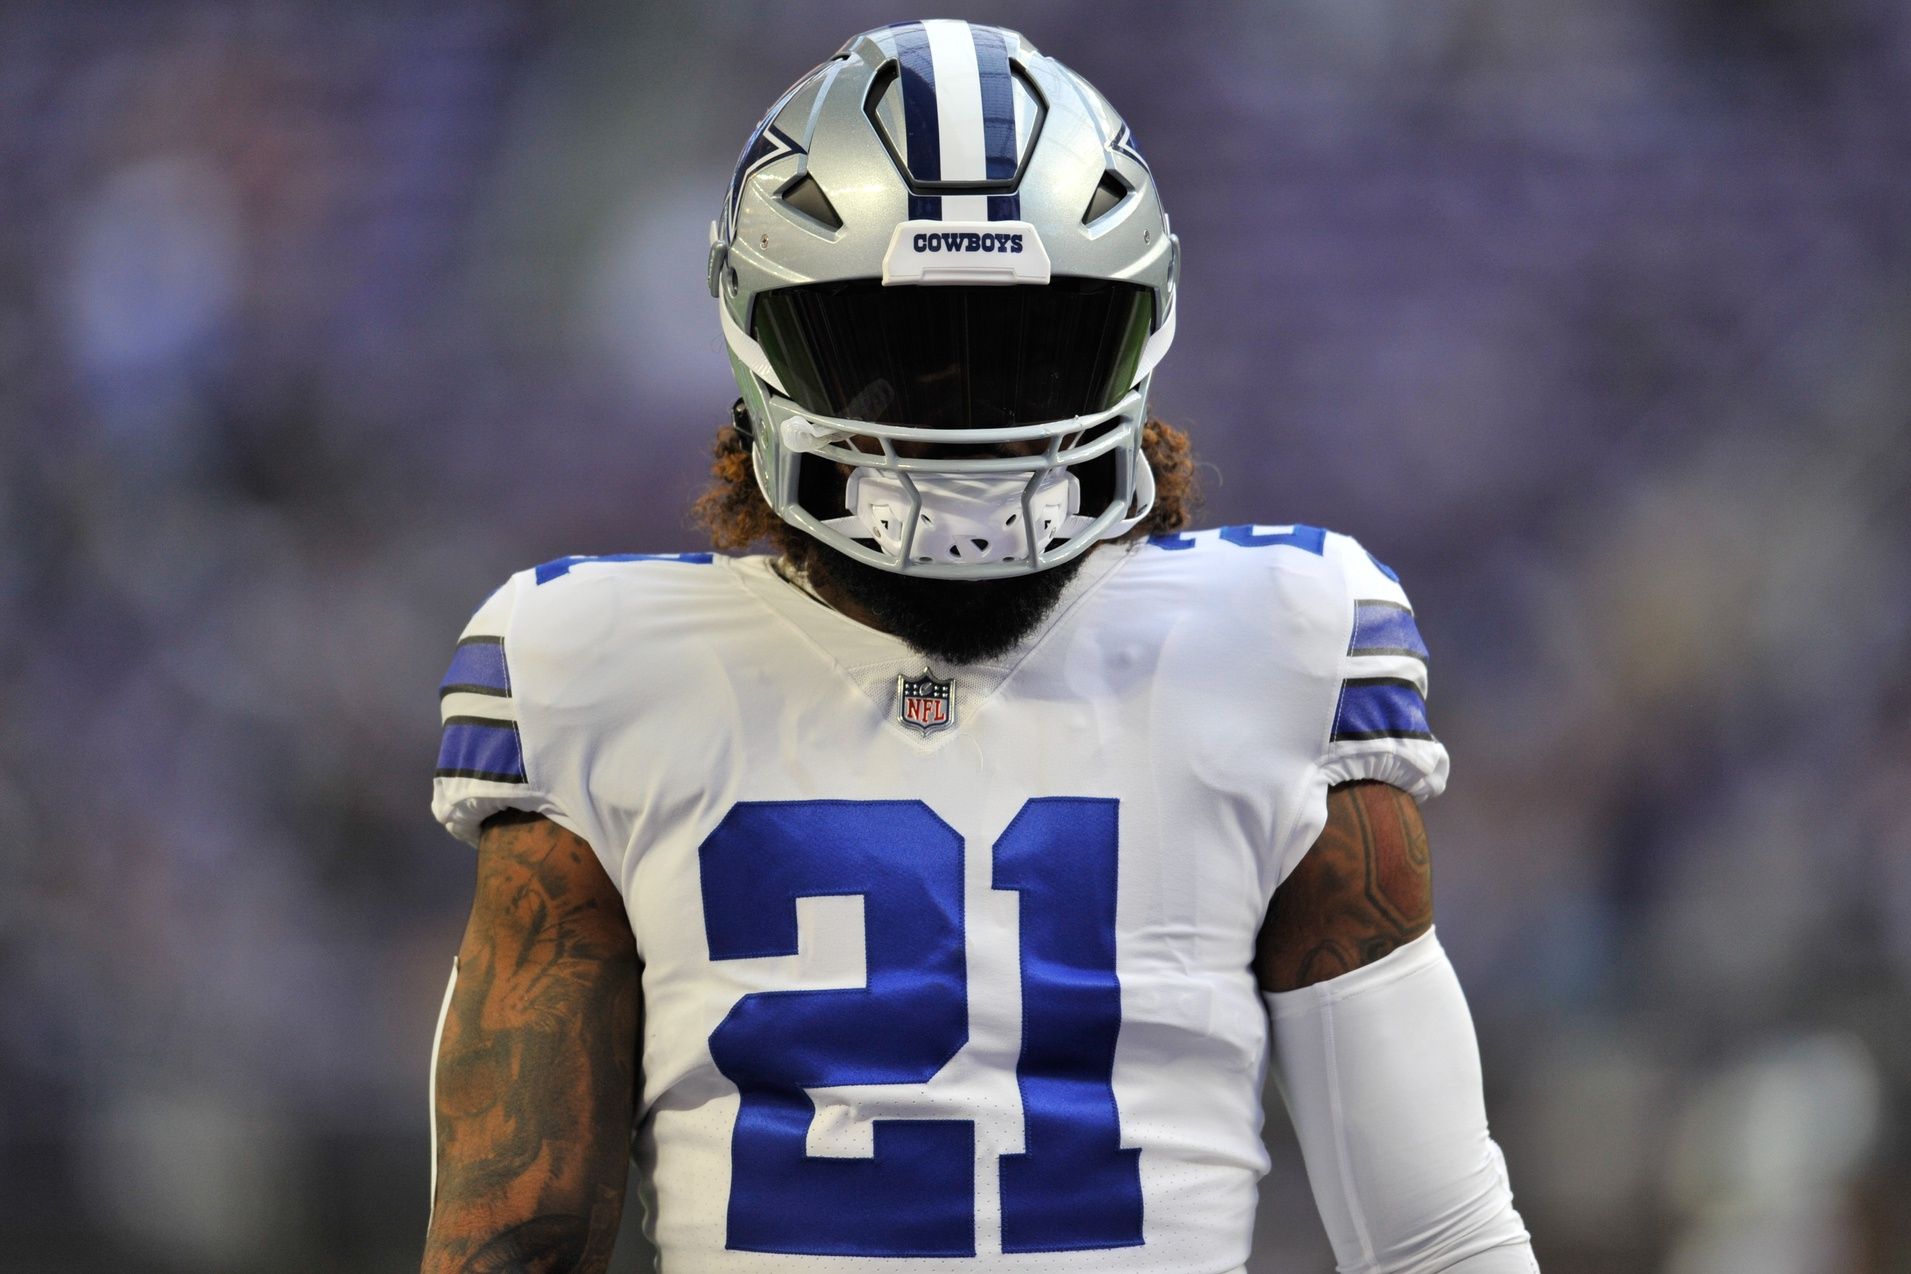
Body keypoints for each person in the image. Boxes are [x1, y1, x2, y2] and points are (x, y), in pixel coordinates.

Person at [421, 20, 1538, 1274]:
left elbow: (1435, 1233)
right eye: (896, 360)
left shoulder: (1280, 638)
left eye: (1025, 351)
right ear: (760, 335)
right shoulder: (601, 665)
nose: (962, 424)